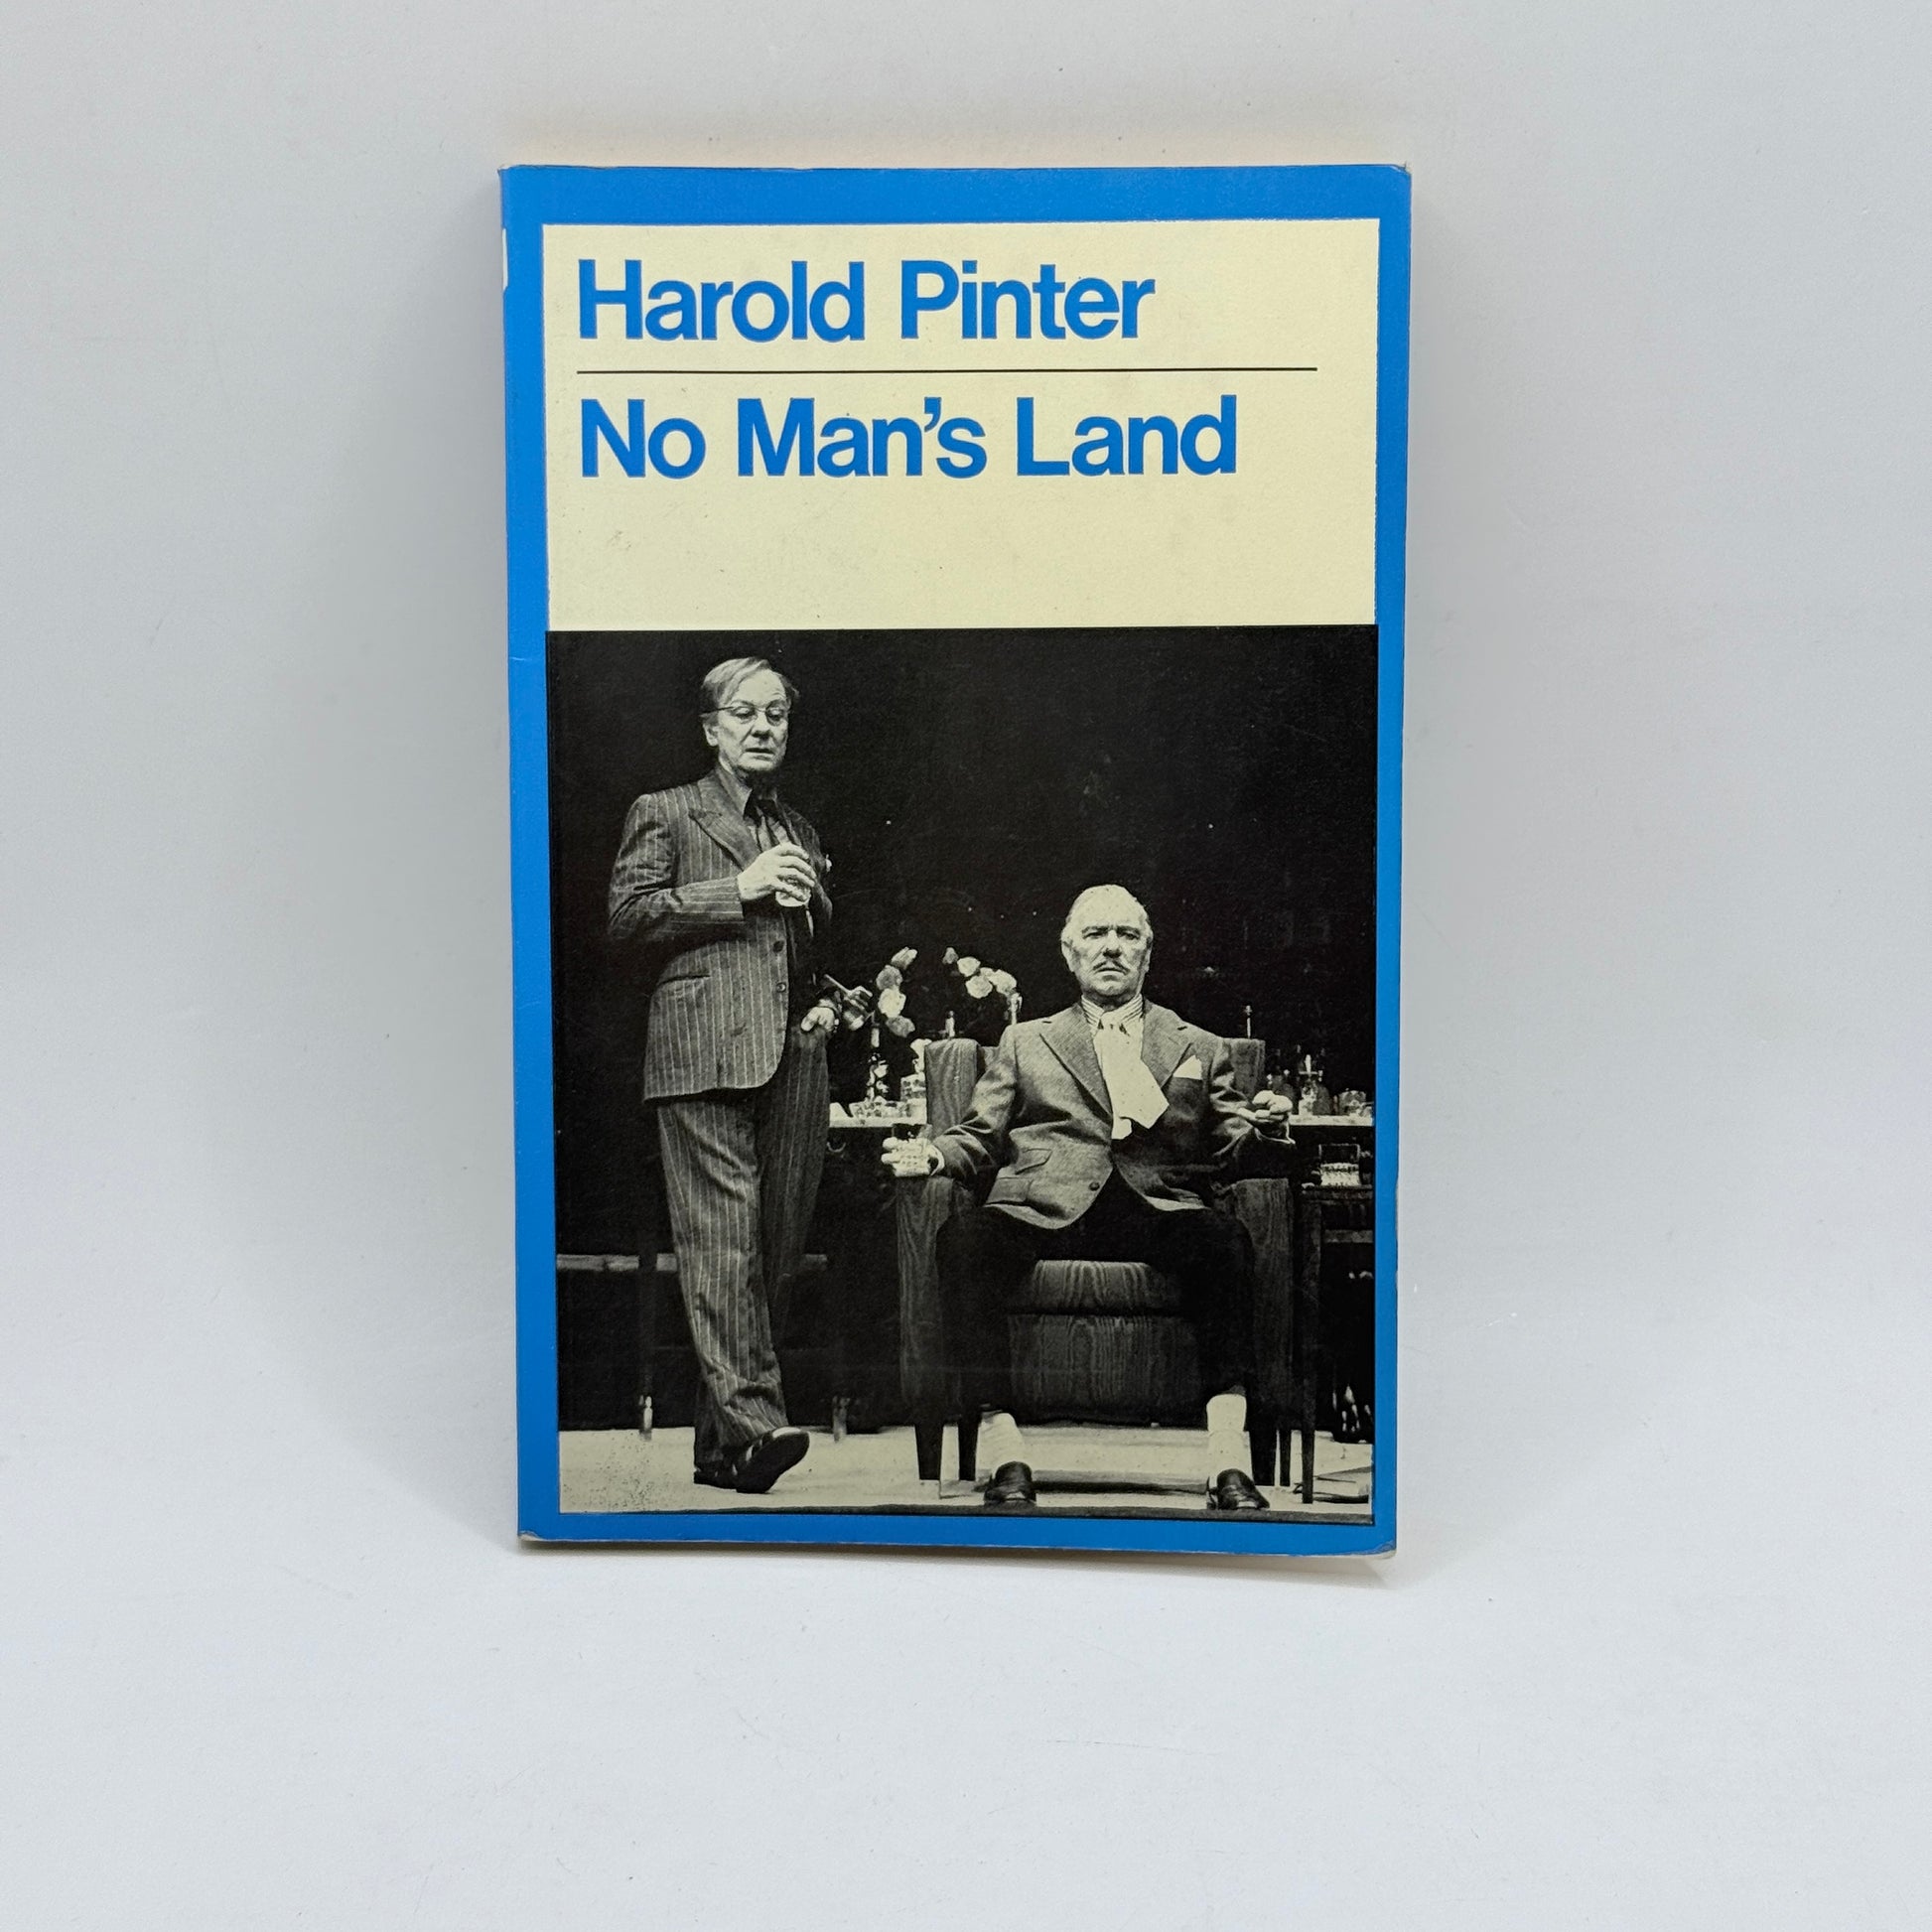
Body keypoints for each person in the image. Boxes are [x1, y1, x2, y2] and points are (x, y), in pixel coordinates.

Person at [882, 884, 1296, 1511]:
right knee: (965, 1240)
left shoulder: (1199, 1046)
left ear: (1147, 954)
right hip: (1043, 1203)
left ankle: (1226, 1458)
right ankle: (1004, 1448)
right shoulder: (1026, 1041)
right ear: (1069, 953)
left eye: (1127, 935)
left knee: (1224, 1241)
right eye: (1096, 935)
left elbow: (1232, 1143)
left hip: (1156, 1205)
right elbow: (979, 1134)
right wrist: (934, 1155)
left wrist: (1267, 1129)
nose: (1111, 948)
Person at [609, 657, 831, 1494]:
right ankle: (760, 1424)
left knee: (770, 1253)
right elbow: (627, 918)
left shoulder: (797, 826)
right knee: (723, 1246)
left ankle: (724, 1451)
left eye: (777, 714)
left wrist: (822, 997)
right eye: (745, 713)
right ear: (711, 728)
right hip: (701, 1052)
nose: (763, 727)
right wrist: (738, 886)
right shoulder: (665, 811)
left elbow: (803, 943)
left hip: (791, 1057)